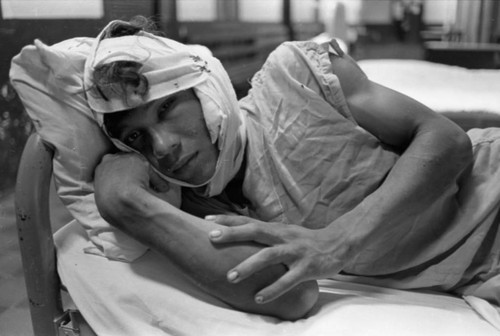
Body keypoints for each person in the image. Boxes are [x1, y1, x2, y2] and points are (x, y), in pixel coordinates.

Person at [89, 17, 500, 321]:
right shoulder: (192, 205)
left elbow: (446, 140)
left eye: (167, 108)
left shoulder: (295, 78)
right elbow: (291, 295)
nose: (164, 147)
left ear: (206, 90)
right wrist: (127, 203)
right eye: (138, 138)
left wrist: (337, 241)